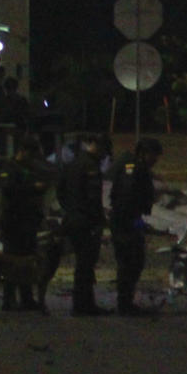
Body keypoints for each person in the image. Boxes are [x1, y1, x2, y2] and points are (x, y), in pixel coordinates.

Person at [0, 136, 52, 312]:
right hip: (13, 223)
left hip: (28, 222)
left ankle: (26, 299)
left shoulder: (29, 168)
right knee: (11, 262)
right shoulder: (10, 168)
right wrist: (33, 188)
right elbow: (9, 190)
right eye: (32, 155)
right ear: (24, 151)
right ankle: (9, 300)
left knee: (26, 263)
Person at [55, 130, 109, 316]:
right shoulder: (90, 167)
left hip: (73, 219)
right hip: (86, 222)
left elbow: (60, 191)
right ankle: (84, 305)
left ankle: (83, 304)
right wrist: (97, 221)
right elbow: (93, 199)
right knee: (86, 265)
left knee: (81, 264)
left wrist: (71, 209)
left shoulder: (72, 164)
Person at [108, 137, 162, 316]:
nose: (155, 160)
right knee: (129, 262)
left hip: (128, 221)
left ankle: (126, 301)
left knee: (133, 262)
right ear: (144, 154)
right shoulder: (134, 170)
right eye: (153, 155)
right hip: (125, 223)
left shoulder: (135, 168)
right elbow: (128, 201)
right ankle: (124, 303)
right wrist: (135, 224)